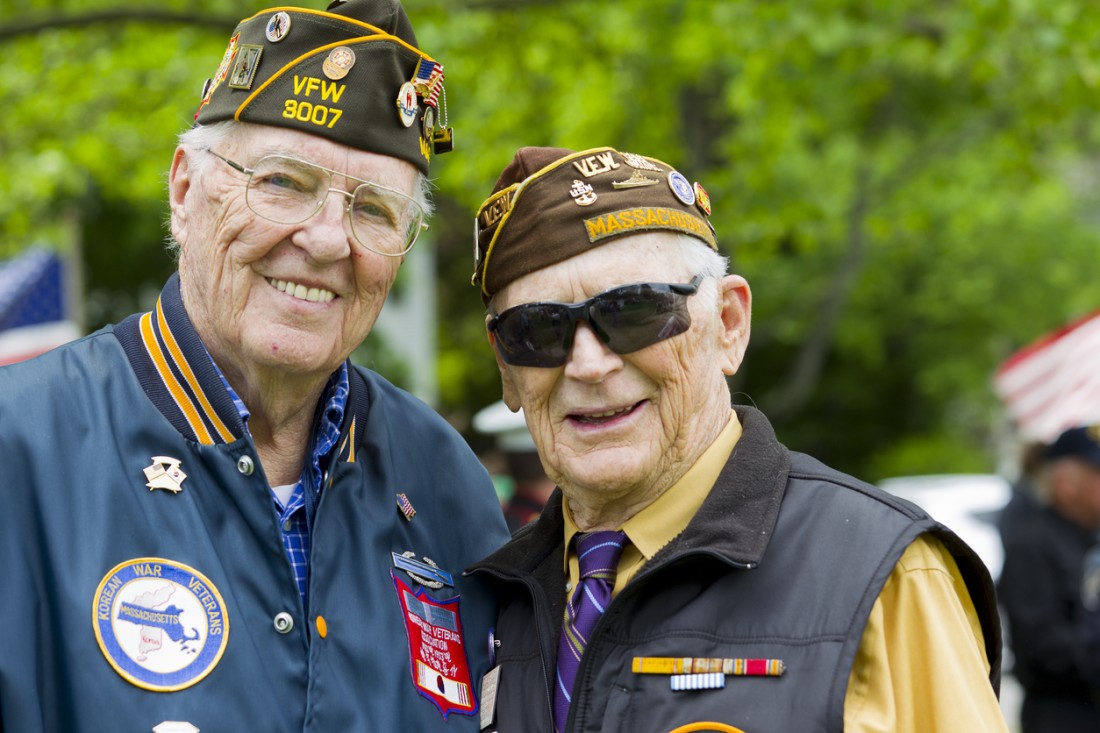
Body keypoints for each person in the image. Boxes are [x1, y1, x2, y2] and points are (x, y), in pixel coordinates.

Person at [0, 2, 509, 730]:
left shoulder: (444, 482)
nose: (329, 238)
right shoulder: (18, 446)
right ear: (183, 190)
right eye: (284, 183)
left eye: (374, 210)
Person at [464, 146, 1008, 732]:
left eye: (634, 311)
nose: (589, 364)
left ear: (728, 323)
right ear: (506, 371)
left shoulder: (885, 575)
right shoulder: (485, 599)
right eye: (537, 330)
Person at [999, 425, 1100, 731]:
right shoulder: (1033, 547)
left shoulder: (1088, 538)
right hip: (1062, 718)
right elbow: (1046, 650)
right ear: (1067, 484)